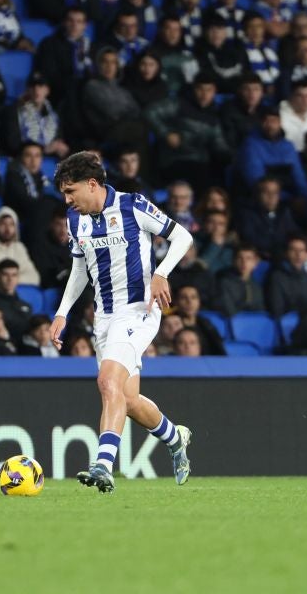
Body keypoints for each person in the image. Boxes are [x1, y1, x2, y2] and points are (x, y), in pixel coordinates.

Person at [48, 151, 194, 493]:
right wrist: (62, 312)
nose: (67, 201)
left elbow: (182, 237)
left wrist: (160, 273)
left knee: (107, 381)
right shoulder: (76, 221)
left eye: (71, 192)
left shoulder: (133, 205)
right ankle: (176, 439)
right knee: (126, 400)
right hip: (105, 317)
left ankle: (102, 466)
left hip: (139, 310)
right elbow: (80, 270)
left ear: (92, 184)